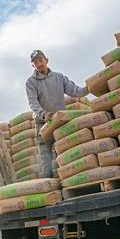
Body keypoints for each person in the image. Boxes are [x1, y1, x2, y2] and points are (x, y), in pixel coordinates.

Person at [25, 49, 88, 177]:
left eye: (41, 60)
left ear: (46, 60)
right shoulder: (31, 82)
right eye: (36, 62)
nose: (39, 64)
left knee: (64, 150)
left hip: (60, 120)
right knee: (46, 155)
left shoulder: (59, 77)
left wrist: (89, 88)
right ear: (33, 65)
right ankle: (49, 184)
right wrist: (44, 114)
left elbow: (74, 91)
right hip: (43, 121)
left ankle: (67, 179)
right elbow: (33, 103)